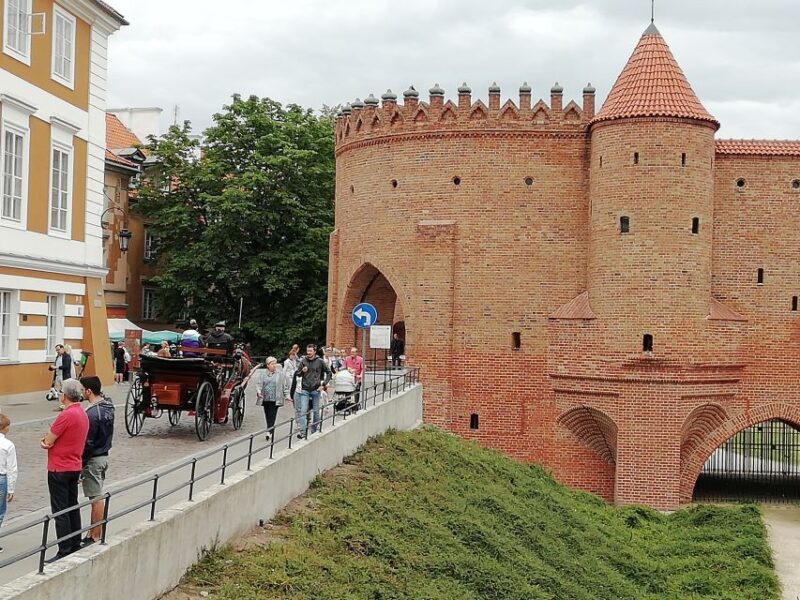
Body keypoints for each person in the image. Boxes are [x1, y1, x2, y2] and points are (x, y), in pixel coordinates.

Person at [41, 378, 89, 562]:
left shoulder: (65, 416)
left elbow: (48, 440)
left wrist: (44, 441)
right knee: (72, 505)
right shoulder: (82, 413)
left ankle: (64, 548)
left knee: (60, 510)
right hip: (74, 465)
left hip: (58, 467)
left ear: (65, 395)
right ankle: (75, 542)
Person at [79, 376, 114, 546]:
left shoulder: (92, 414)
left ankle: (94, 535)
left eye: (82, 389)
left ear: (89, 391)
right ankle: (93, 531)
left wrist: (81, 464)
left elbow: (88, 443)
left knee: (95, 497)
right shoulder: (107, 405)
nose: (81, 392)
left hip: (94, 459)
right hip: (104, 455)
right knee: (96, 495)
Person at [294, 344, 332, 439]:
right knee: (303, 411)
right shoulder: (303, 361)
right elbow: (297, 374)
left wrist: (323, 385)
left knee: (316, 412)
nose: (309, 353)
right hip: (305, 389)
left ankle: (314, 430)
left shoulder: (320, 361)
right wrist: (302, 371)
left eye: (311, 351)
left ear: (314, 351)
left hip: (316, 389)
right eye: (308, 351)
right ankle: (303, 432)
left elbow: (329, 373)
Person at [256, 357, 291, 440]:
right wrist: (259, 392)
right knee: (267, 415)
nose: (274, 365)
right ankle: (270, 429)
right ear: (268, 365)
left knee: (272, 414)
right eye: (272, 364)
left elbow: (284, 386)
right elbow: (259, 384)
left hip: (275, 398)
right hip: (265, 398)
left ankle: (269, 431)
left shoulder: (280, 374)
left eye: (275, 363)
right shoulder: (263, 374)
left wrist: (287, 396)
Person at [0, 414, 17, 552]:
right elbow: (12, 468)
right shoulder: (8, 445)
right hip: (1, 479)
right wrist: (11, 488)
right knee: (0, 511)